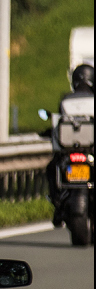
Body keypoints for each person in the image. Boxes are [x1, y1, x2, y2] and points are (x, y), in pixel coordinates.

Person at [47, 63, 94, 226]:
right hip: (88, 152)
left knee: (52, 169)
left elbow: (57, 123)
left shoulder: (66, 100)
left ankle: (57, 207)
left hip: (68, 151)